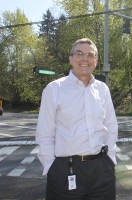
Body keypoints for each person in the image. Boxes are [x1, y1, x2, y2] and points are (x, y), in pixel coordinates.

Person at [36, 38, 118, 200]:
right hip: (65, 169)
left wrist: (110, 160)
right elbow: (44, 133)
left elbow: (111, 125)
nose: (85, 58)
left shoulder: (102, 89)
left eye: (90, 55)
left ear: (96, 61)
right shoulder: (54, 89)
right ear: (71, 58)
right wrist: (51, 167)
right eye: (79, 53)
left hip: (101, 170)